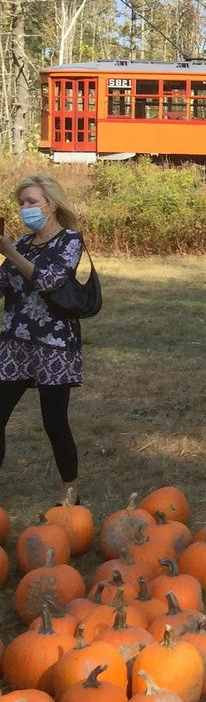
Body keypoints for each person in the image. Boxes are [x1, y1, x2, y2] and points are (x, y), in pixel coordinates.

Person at [0, 176, 88, 506]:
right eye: (21, 203)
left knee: (54, 420)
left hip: (53, 343)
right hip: (15, 342)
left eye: (31, 202)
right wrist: (7, 252)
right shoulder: (21, 244)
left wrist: (8, 251)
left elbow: (49, 280)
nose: (25, 209)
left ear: (50, 205)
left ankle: (70, 490)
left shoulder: (69, 241)